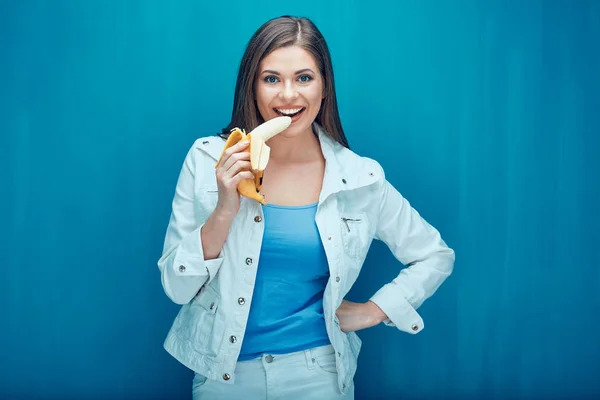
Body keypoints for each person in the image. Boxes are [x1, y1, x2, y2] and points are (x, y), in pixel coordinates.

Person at [157, 15, 455, 400]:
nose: (288, 96)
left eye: (303, 78)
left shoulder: (359, 178)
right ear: (252, 86)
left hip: (319, 375)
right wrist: (225, 209)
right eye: (271, 79)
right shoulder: (207, 159)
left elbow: (435, 255)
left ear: (324, 87)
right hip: (225, 379)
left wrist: (374, 310)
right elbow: (176, 288)